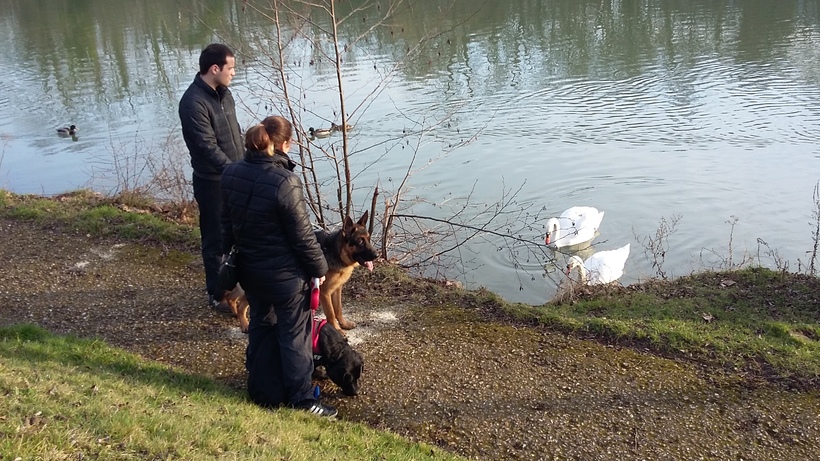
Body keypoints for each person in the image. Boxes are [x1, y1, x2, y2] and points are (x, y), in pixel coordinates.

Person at [221, 117, 336, 417]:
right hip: (286, 280)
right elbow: (302, 237)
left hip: (250, 273)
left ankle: (262, 390)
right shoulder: (285, 182)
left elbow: (225, 229)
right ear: (282, 145)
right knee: (295, 335)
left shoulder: (230, 173)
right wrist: (319, 269)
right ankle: (302, 399)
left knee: (261, 325)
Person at [179, 43, 244, 312]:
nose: (234, 73)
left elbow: (236, 134)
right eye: (231, 68)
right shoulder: (193, 102)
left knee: (241, 237)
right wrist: (234, 173)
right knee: (216, 241)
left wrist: (249, 165)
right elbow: (206, 148)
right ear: (214, 68)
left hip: (236, 177)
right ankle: (217, 295)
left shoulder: (225, 94)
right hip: (213, 184)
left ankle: (240, 290)